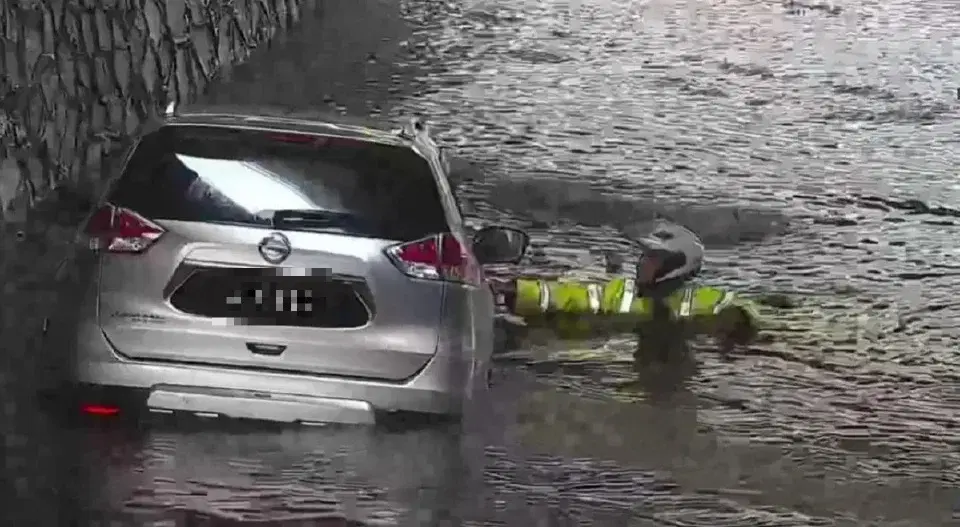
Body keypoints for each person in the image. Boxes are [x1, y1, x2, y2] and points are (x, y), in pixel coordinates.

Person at [492, 222, 762, 362]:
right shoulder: (622, 292)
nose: (641, 263)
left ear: (674, 268)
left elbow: (745, 308)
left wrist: (742, 319)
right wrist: (518, 290)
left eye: (652, 259)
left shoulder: (704, 300)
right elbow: (573, 295)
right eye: (644, 256)